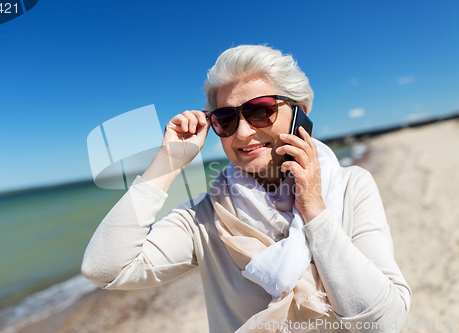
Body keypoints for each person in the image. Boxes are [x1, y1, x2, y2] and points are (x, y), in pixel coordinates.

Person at [81, 45, 411, 332]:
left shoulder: (353, 186)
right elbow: (105, 269)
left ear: (300, 113)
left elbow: (385, 322)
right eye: (225, 119)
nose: (241, 133)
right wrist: (169, 162)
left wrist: (315, 212)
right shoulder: (206, 217)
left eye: (261, 111)